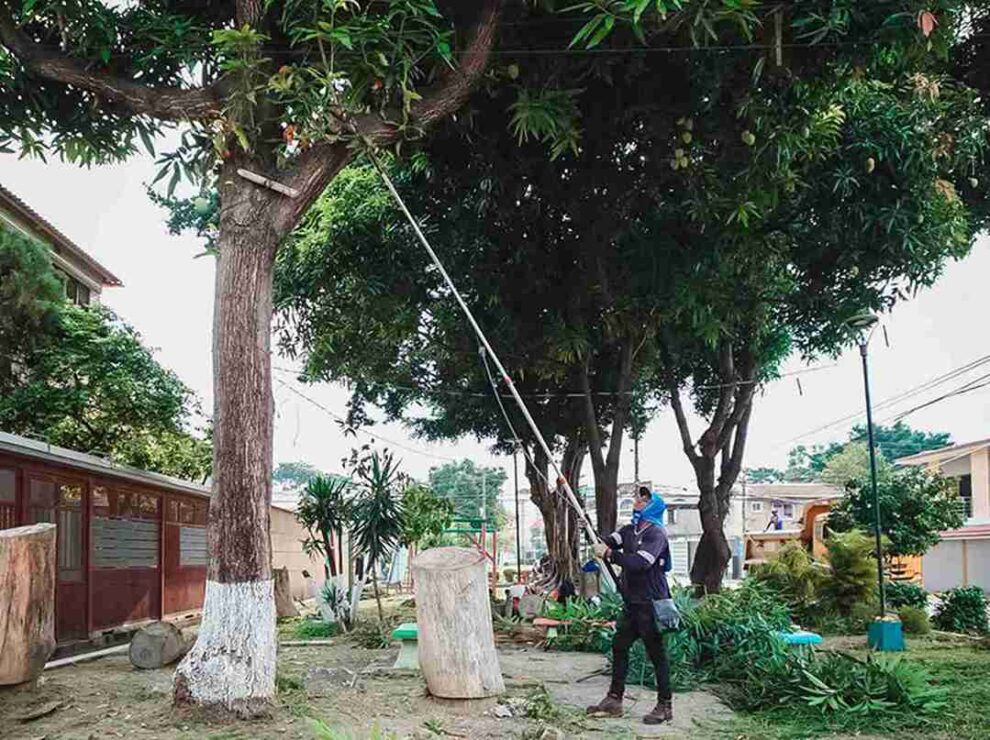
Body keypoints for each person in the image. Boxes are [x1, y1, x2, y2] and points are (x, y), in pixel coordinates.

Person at [586, 486, 673, 725]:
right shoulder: (630, 530)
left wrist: (610, 556)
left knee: (656, 654)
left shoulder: (656, 533)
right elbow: (608, 541)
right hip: (632, 602)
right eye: (639, 498)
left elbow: (640, 562)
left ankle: (665, 705)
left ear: (653, 506)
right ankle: (614, 699)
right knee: (619, 646)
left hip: (651, 602)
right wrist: (590, 533)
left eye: (644, 499)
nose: (638, 501)